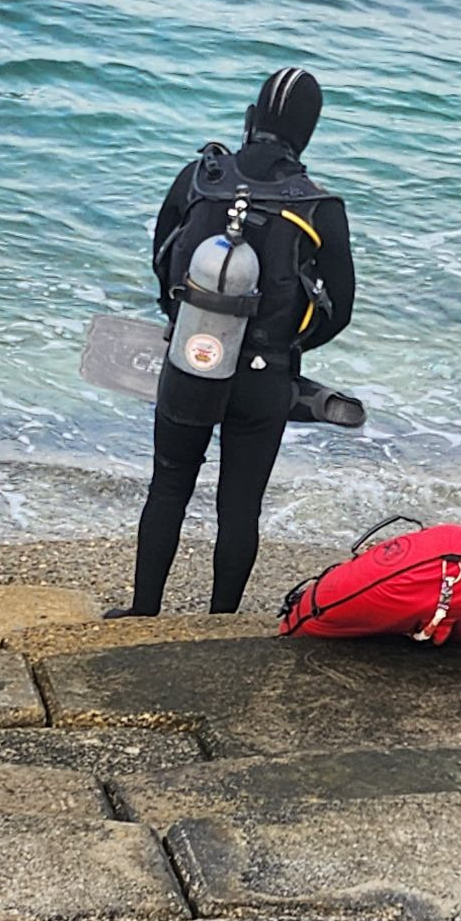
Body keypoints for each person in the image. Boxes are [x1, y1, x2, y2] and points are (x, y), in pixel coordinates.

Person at [116, 69, 355, 615]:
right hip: (264, 376)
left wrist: (187, 325)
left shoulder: (198, 178)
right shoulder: (320, 206)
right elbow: (339, 311)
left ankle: (142, 611)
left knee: (168, 487)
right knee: (240, 507)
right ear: (308, 131)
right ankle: (220, 621)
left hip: (191, 360)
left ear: (252, 117)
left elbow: (162, 261)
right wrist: (287, 350)